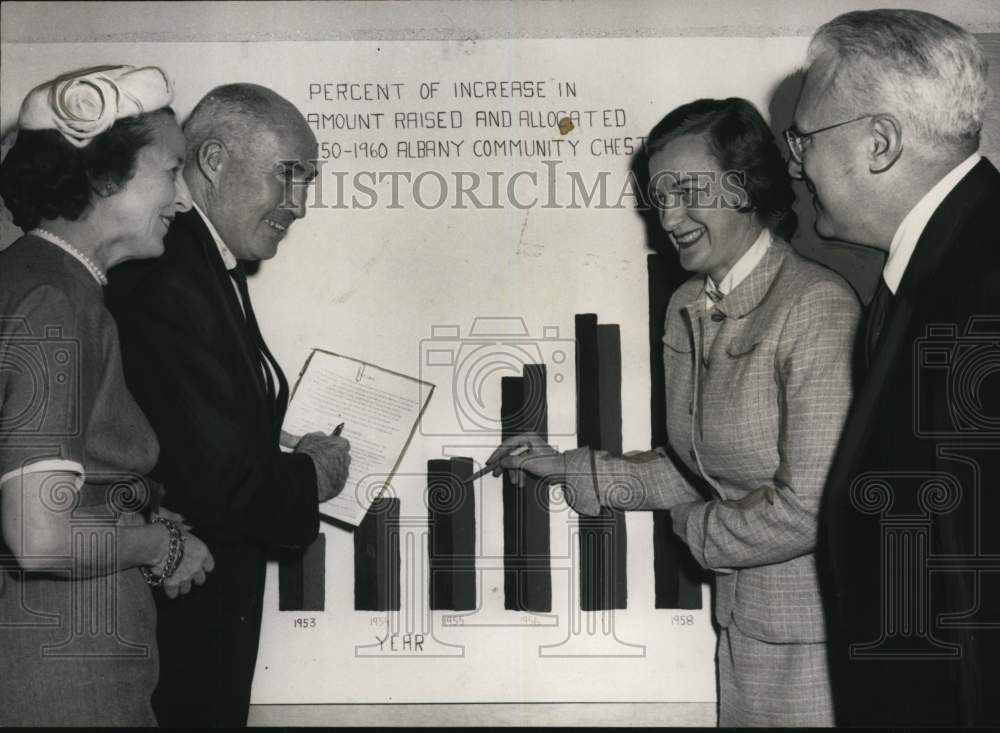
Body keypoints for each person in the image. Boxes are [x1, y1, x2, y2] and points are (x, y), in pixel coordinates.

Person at [489, 98, 860, 726]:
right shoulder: (690, 302)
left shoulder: (815, 306)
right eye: (658, 196)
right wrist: (566, 469)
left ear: (745, 188)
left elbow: (812, 509)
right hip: (744, 625)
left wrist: (691, 529)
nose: (669, 216)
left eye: (688, 190)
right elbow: (697, 467)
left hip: (815, 638)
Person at [105, 83, 352, 727]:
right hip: (172, 632)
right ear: (212, 161)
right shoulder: (168, 274)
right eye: (287, 175)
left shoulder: (204, 263)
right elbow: (216, 483)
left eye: (310, 181)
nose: (298, 205)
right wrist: (310, 475)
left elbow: (195, 442)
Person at [786, 9, 1000, 726]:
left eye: (805, 138)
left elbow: (977, 589)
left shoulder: (980, 284)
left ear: (879, 143)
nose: (796, 163)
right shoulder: (944, 260)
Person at [0, 65, 214, 726]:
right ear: (101, 175)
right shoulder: (52, 302)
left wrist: (145, 523)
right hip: (64, 679)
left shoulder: (36, 282)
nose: (182, 201)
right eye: (173, 171)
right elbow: (39, 536)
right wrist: (158, 546)